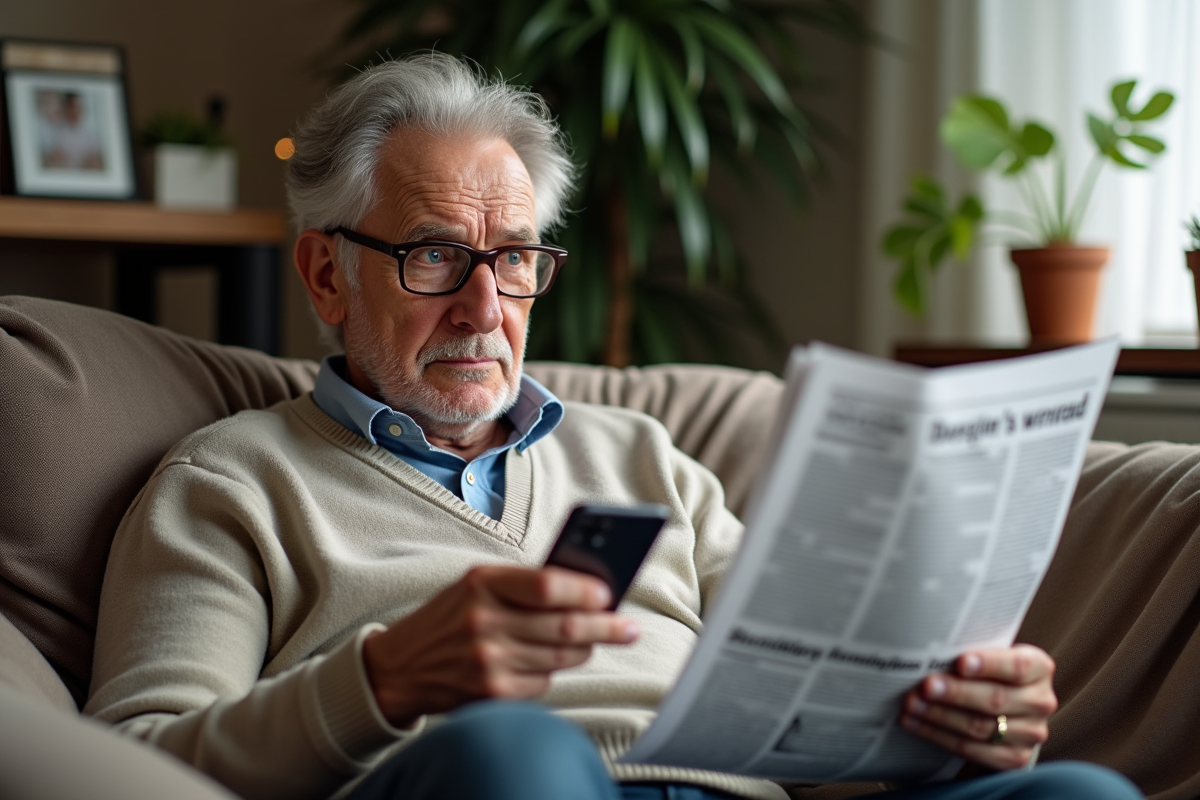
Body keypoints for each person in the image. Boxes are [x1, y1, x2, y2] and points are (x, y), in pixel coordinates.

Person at [85, 53, 1139, 800]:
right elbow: (130, 764)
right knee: (516, 753)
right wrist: (385, 677)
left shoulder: (644, 457)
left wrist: (952, 712)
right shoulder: (232, 482)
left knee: (1079, 791)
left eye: (515, 258)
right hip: (500, 781)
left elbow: (803, 697)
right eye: (435, 255)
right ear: (326, 272)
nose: (485, 307)